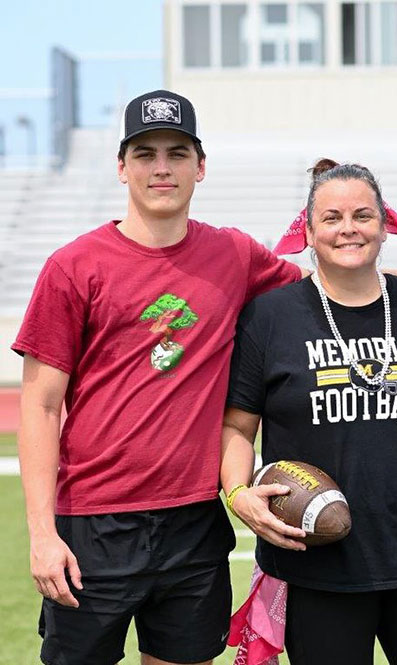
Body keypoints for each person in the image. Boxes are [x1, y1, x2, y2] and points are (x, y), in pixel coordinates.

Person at [12, 89, 304, 665]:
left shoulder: (235, 254)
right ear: (122, 167)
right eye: (145, 153)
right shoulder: (74, 266)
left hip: (194, 519)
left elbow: (331, 288)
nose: (161, 167)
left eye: (177, 152)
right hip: (92, 522)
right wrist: (43, 536)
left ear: (201, 166)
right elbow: (40, 407)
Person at [220, 159, 397, 665]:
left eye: (363, 215)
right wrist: (239, 494)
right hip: (316, 563)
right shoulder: (270, 317)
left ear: (385, 225)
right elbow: (237, 424)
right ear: (308, 230)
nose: (349, 228)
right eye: (332, 217)